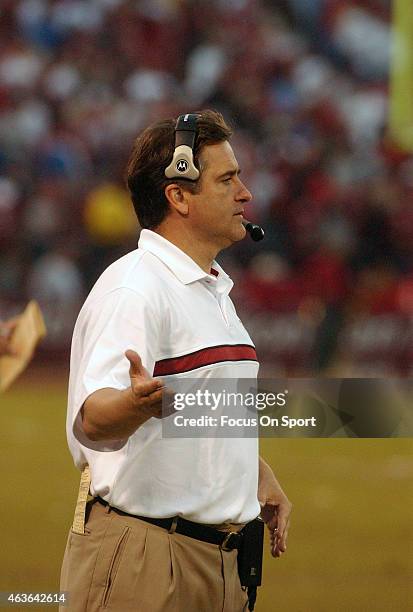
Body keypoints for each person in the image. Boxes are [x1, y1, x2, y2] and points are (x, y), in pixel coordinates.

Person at [61, 110, 292, 612]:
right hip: (148, 557)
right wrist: (134, 403)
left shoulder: (210, 288)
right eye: (227, 179)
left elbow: (191, 408)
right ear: (179, 195)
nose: (246, 193)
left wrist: (251, 469)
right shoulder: (135, 287)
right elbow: (93, 421)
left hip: (217, 562)